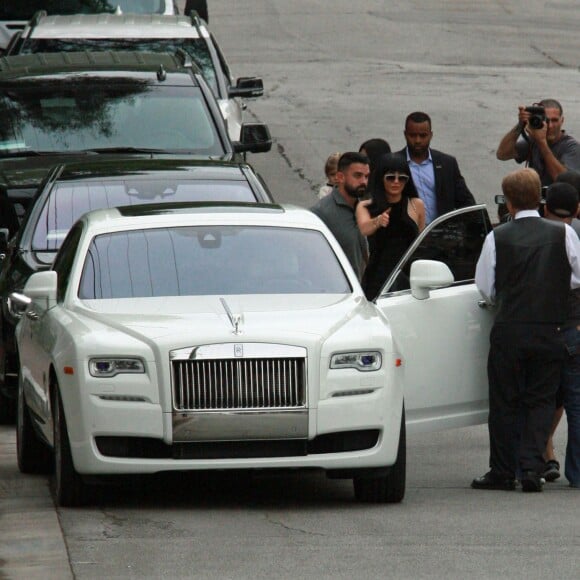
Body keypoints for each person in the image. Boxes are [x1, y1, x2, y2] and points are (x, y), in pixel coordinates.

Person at [472, 168, 580, 492]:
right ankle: (532, 468)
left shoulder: (497, 237)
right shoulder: (564, 234)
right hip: (552, 327)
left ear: (508, 202)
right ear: (540, 197)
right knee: (541, 399)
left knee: (505, 401)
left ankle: (503, 470)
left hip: (510, 328)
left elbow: (486, 288)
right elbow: (576, 278)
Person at [542, 182, 580, 486]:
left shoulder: (523, 232)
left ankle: (532, 461)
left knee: (538, 397)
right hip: (571, 326)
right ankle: (576, 472)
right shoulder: (573, 234)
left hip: (537, 327)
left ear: (545, 207)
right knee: (575, 401)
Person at [356, 153, 425, 300]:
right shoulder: (366, 205)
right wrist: (378, 221)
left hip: (408, 277)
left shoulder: (415, 205)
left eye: (402, 178)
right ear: (381, 178)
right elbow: (364, 228)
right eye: (390, 177)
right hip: (378, 276)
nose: (396, 182)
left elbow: (421, 242)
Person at [396, 111, 475, 225]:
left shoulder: (447, 164)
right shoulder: (394, 164)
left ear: (431, 135)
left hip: (441, 236)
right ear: (405, 134)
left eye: (423, 136)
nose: (418, 140)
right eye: (413, 135)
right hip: (407, 237)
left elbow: (466, 203)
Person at [310, 152, 370, 281]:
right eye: (358, 176)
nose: (364, 182)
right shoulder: (321, 214)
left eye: (366, 176)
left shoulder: (366, 209)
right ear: (340, 177)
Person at [496, 99, 580, 187]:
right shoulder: (534, 141)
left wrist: (542, 143)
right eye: (547, 121)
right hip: (537, 198)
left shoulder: (572, 147)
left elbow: (566, 182)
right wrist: (521, 124)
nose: (550, 126)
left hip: (560, 199)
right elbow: (502, 154)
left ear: (562, 120)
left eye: (554, 120)